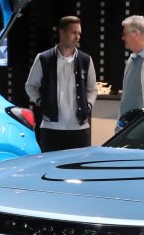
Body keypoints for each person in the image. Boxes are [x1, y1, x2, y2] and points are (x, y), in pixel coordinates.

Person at [24, 16, 97, 153]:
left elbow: (93, 89)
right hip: (51, 128)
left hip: (79, 129)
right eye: (74, 32)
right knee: (50, 165)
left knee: (78, 165)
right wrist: (41, 102)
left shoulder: (86, 60)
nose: (77, 37)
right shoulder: (43, 58)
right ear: (62, 32)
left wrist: (88, 106)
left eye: (79, 33)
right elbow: (30, 86)